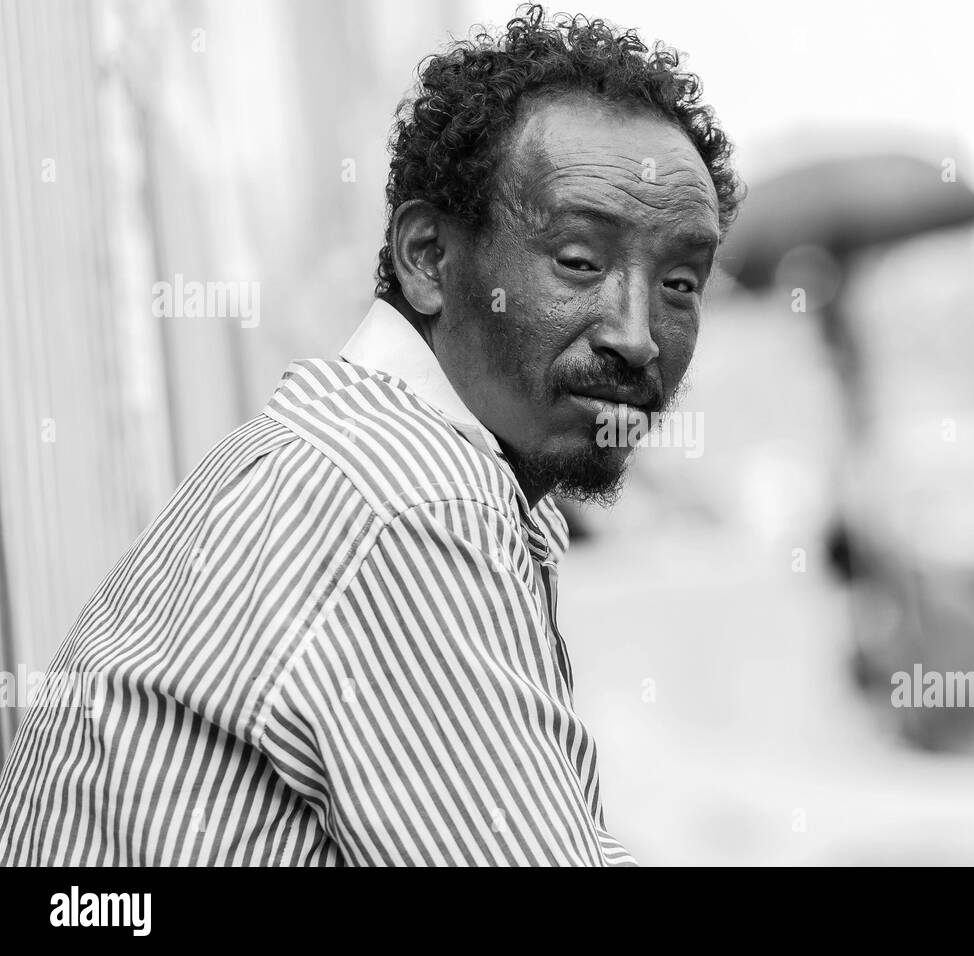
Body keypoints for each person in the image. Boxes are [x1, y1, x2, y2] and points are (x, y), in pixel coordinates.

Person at [0, 4, 742, 866]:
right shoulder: (408, 501)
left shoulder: (358, 453)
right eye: (579, 261)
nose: (638, 334)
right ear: (429, 257)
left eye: (682, 282)